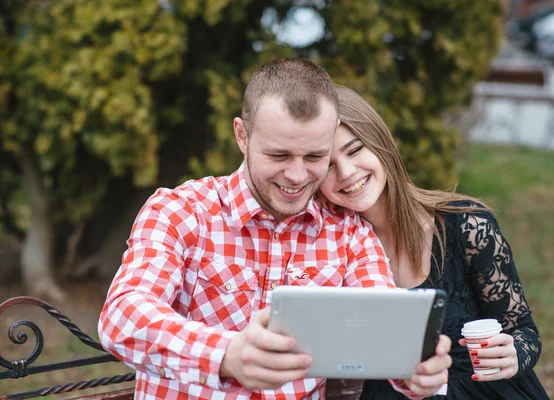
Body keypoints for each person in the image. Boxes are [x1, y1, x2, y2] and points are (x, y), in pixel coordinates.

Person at [98, 59, 451, 400]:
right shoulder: (182, 210)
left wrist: (415, 369)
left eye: (315, 157)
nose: (297, 177)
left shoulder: (350, 235)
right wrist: (226, 354)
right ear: (242, 136)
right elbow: (122, 314)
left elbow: (383, 326)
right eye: (279, 156)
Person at [321, 85, 549, 400]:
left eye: (355, 149)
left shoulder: (467, 226)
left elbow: (524, 331)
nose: (346, 172)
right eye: (327, 164)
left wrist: (515, 354)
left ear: (380, 144)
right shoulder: (326, 250)